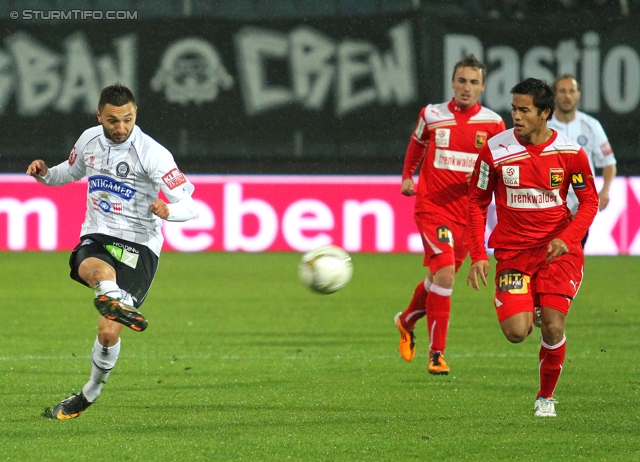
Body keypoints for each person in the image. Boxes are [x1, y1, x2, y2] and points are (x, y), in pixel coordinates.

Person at [26, 83, 197, 420]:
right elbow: (68, 172)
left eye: (128, 120)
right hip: (99, 235)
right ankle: (108, 293)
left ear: (136, 115)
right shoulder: (89, 139)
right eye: (113, 120)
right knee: (98, 269)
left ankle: (90, 392)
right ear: (99, 116)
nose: (121, 128)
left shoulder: (153, 154)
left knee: (107, 332)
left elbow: (190, 205)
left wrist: (169, 212)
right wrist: (45, 175)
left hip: (139, 245)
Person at [466, 78, 599, 417]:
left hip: (558, 253)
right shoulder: (494, 150)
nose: (516, 116)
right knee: (516, 332)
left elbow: (588, 202)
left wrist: (566, 239)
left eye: (524, 110)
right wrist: (479, 255)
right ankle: (533, 304)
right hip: (513, 255)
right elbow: (476, 202)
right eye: (514, 109)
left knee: (553, 325)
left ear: (544, 114)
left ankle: (545, 397)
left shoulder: (570, 153)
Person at [394, 54, 506, 375]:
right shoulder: (432, 114)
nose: (466, 88)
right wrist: (407, 175)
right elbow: (417, 143)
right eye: (461, 81)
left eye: (473, 82)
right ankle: (436, 354)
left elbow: (497, 168)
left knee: (436, 280)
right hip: (432, 207)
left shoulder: (493, 124)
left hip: (467, 215)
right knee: (443, 271)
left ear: (482, 87)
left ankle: (406, 321)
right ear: (452, 82)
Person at [547, 74, 617, 242]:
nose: (567, 96)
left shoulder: (591, 125)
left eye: (571, 91)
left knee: (575, 250)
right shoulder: (544, 126)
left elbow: (609, 163)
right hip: (551, 200)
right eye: (562, 91)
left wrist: (605, 190)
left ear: (579, 95)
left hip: (581, 202)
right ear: (554, 95)